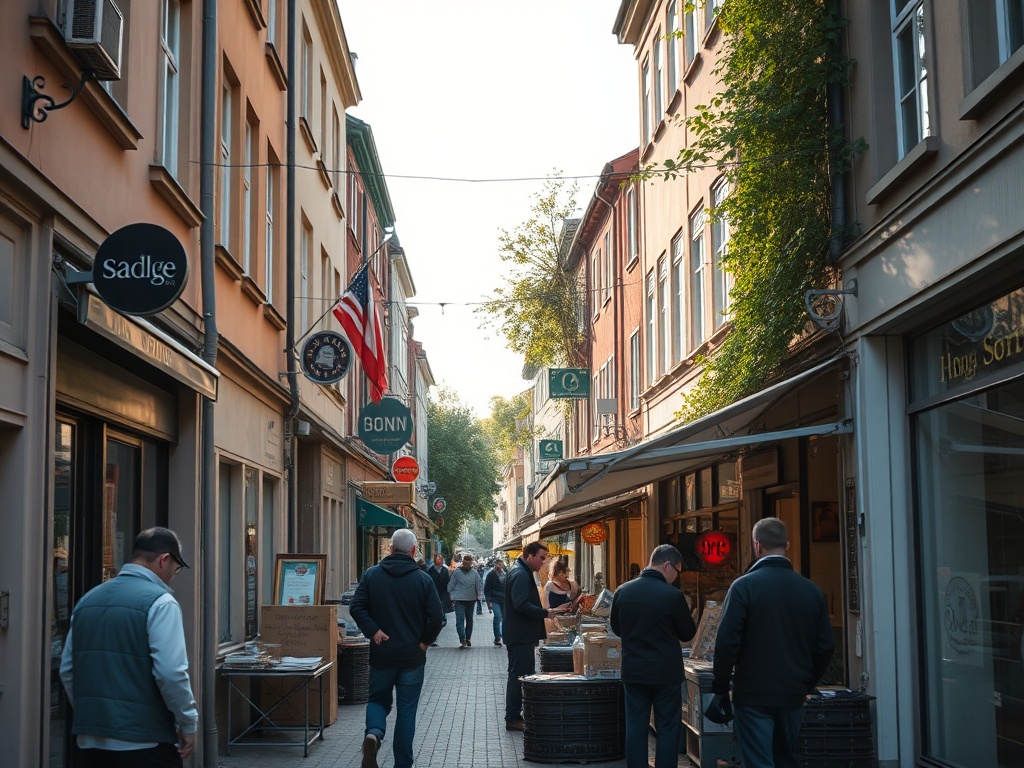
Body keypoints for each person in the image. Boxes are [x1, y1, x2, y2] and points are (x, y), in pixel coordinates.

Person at [59, 527, 198, 767]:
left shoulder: (87, 600)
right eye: (176, 570)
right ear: (164, 560)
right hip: (145, 740)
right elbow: (171, 672)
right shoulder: (161, 602)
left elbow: (67, 670)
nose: (173, 577)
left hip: (90, 740)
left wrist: (91, 712)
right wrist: (188, 723)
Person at [708, 518, 835, 768]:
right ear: (787, 545)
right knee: (786, 757)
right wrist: (808, 682)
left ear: (757, 546)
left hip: (752, 691)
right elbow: (825, 646)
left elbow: (726, 642)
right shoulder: (811, 591)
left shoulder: (744, 587)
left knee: (758, 760)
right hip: (793, 690)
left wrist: (721, 686)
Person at [350, 528, 443, 768]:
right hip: (412, 656)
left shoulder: (372, 575)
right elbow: (437, 616)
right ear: (413, 551)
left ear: (390, 549)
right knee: (407, 711)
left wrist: (373, 631)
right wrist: (425, 641)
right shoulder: (423, 579)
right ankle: (402, 764)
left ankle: (374, 732)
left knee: (377, 700)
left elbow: (356, 607)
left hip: (382, 653)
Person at [609, 544, 697, 768]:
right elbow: (688, 633)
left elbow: (617, 628)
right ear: (667, 565)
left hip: (634, 671)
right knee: (668, 727)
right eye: (677, 571)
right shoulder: (673, 596)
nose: (676, 577)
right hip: (666, 674)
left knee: (635, 727)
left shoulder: (623, 591)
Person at [502, 542, 571, 731]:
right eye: (541, 558)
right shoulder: (520, 574)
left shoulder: (521, 572)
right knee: (519, 676)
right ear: (529, 556)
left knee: (519, 675)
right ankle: (513, 717)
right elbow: (520, 604)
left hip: (520, 634)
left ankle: (515, 715)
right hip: (520, 635)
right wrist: (546, 613)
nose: (543, 562)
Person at [447, 553, 484, 648]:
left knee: (460, 620)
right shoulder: (474, 573)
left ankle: (463, 639)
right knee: (469, 619)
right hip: (469, 599)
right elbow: (479, 586)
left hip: (461, 599)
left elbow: (451, 585)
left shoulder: (457, 572)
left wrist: (450, 594)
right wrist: (479, 596)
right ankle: (467, 639)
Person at [427, 554, 452, 642]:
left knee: (441, 613)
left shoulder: (445, 570)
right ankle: (434, 636)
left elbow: (447, 582)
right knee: (437, 613)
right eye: (437, 558)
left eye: (440, 558)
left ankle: (440, 623)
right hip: (434, 593)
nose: (439, 560)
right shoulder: (431, 569)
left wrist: (449, 593)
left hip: (442, 593)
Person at [484, 559, 506, 646]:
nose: (500, 565)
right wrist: (488, 601)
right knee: (498, 616)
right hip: (494, 599)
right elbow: (487, 589)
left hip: (504, 599)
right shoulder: (491, 575)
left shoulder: (506, 574)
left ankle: (505, 636)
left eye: (501, 563)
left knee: (504, 618)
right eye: (498, 564)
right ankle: (497, 637)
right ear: (495, 565)